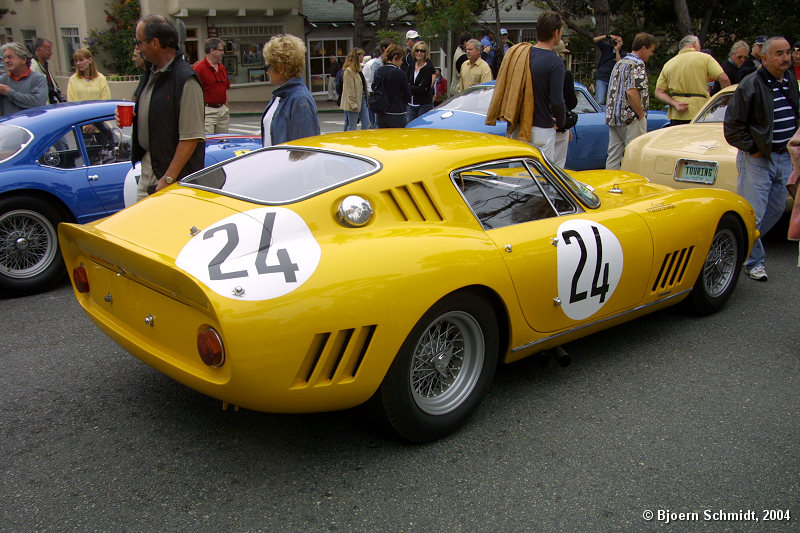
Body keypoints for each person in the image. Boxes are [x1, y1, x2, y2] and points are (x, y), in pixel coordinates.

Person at [723, 36, 799, 281]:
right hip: (758, 159)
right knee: (752, 213)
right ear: (764, 58)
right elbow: (732, 127)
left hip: (784, 157)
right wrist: (753, 148)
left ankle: (739, 247)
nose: (786, 57)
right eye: (779, 53)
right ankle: (753, 261)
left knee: (775, 210)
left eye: (788, 52)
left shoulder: (789, 78)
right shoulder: (751, 83)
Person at [128, 14, 205, 200]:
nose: (137, 48)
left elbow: (191, 137)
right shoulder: (151, 73)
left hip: (172, 177)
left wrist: (168, 178)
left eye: (139, 42)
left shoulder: (185, 79)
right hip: (150, 166)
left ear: (155, 43)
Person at [512, 11, 566, 161]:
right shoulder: (555, 62)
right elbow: (557, 100)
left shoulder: (522, 55)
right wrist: (561, 122)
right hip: (542, 127)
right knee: (541, 173)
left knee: (517, 173)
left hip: (519, 126)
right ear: (556, 33)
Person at [604, 33, 659, 170]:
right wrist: (641, 115)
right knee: (634, 155)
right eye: (651, 50)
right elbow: (631, 92)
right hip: (630, 118)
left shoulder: (620, 63)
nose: (651, 54)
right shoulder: (637, 64)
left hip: (614, 116)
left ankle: (610, 181)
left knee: (613, 156)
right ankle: (631, 181)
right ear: (643, 48)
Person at [655, 35, 730, 126]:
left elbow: (659, 92)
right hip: (701, 112)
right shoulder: (705, 58)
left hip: (677, 113)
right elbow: (724, 79)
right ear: (694, 44)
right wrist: (725, 101)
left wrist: (674, 103)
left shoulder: (669, 64)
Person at [261, 34, 320, 146]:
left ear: (280, 67)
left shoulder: (300, 100)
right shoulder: (281, 95)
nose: (266, 71)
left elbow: (304, 150)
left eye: (268, 66)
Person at [194, 37, 230, 134]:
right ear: (212, 50)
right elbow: (194, 93)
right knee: (209, 141)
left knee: (223, 140)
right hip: (207, 111)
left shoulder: (222, 68)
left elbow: (225, 89)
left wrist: (226, 108)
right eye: (221, 50)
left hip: (222, 111)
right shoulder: (199, 69)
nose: (223, 53)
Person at [0, 42, 48, 116]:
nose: (6, 61)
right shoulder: (3, 80)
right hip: (10, 123)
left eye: (9, 57)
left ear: (23, 59)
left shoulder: (38, 79)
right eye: (5, 58)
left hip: (31, 122)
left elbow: (38, 103)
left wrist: (9, 92)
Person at [553, 40, 577, 168]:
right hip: (558, 123)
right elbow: (571, 102)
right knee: (557, 165)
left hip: (537, 123)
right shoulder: (564, 74)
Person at [373, 43, 410, 128]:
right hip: (396, 112)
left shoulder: (379, 71)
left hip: (381, 111)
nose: (402, 62)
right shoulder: (399, 73)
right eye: (401, 59)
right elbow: (407, 94)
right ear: (395, 57)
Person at [363, 39, 393, 128]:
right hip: (381, 98)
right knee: (378, 123)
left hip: (391, 99)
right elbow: (374, 82)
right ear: (384, 48)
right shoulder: (377, 63)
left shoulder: (392, 61)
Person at [339, 48, 369, 131]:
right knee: (352, 125)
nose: (363, 57)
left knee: (366, 123)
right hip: (353, 101)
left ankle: (364, 137)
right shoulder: (349, 71)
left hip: (362, 99)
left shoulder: (359, 69)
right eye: (361, 55)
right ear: (357, 56)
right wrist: (353, 104)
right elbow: (349, 90)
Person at [30, 38, 65, 104]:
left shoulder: (43, 65)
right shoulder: (33, 67)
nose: (51, 53)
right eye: (48, 50)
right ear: (39, 50)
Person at [407, 40, 435, 122]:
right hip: (411, 105)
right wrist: (415, 87)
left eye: (422, 51)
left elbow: (422, 89)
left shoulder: (428, 68)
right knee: (409, 127)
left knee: (421, 126)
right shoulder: (411, 66)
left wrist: (410, 87)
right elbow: (405, 84)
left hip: (424, 105)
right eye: (417, 50)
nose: (419, 53)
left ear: (425, 53)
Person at [593, 33, 623, 104]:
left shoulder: (623, 54)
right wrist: (608, 36)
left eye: (619, 41)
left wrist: (617, 51)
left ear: (622, 43)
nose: (617, 43)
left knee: (612, 102)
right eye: (616, 41)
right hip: (602, 77)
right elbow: (595, 40)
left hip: (613, 79)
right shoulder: (607, 48)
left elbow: (619, 63)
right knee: (599, 101)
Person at [450, 31, 472, 97]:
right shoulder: (461, 56)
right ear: (465, 42)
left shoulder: (460, 51)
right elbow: (468, 71)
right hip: (459, 89)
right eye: (470, 42)